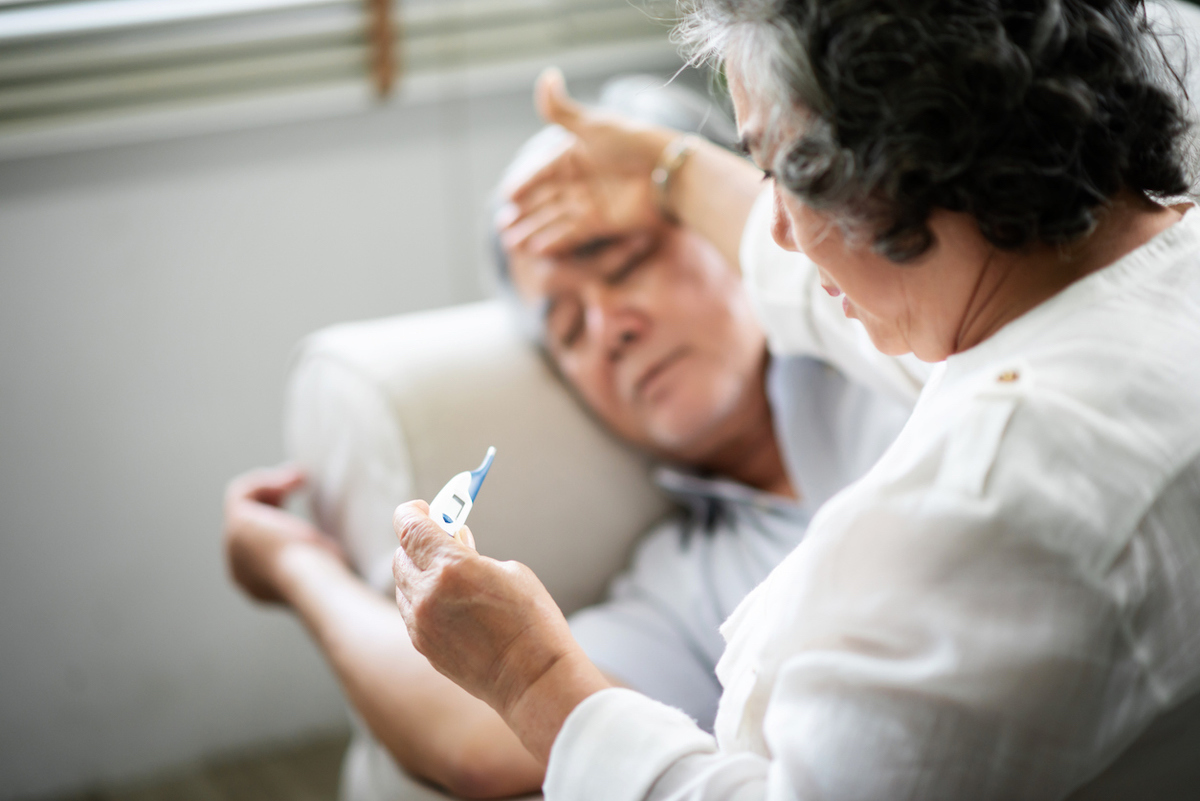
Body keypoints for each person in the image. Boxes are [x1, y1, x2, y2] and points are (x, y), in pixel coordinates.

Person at [389, 1, 1200, 799]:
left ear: (893, 158)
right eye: (566, 326)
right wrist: (664, 169)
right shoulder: (1106, 282)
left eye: (780, 169)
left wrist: (527, 678)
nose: (774, 228)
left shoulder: (993, 508)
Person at [223, 77, 911, 800]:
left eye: (625, 260)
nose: (610, 327)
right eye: (568, 328)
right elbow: (475, 744)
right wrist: (296, 570)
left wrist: (673, 168)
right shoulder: (685, 583)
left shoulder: (904, 348)